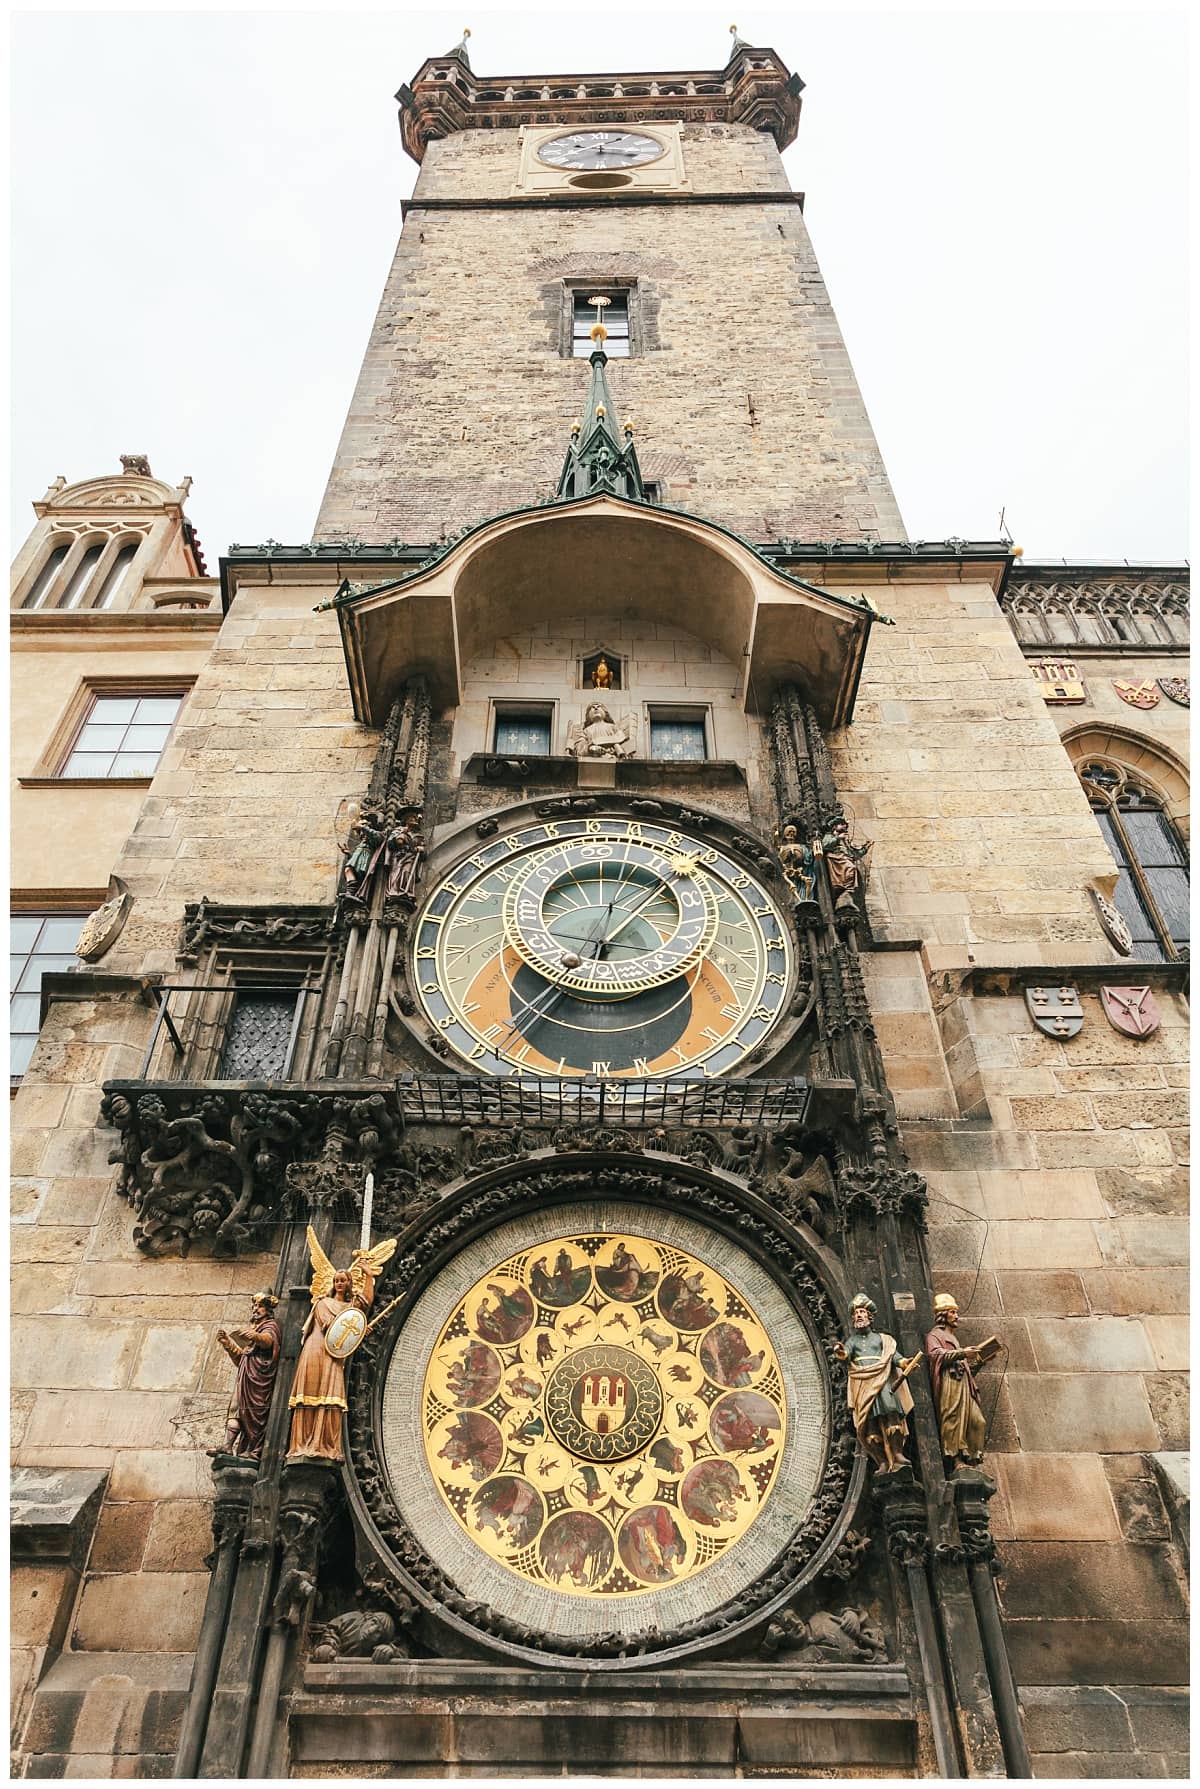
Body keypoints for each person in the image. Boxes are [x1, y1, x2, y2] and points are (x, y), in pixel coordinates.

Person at [287, 1227, 395, 1461]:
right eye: (336, 1280)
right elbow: (332, 1328)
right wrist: (356, 1329)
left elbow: (365, 1302)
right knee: (310, 1393)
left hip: (334, 1355)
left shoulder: (350, 1308)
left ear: (348, 1284)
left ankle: (326, 1445)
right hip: (316, 1348)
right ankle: (301, 1444)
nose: (339, 1283)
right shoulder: (323, 1303)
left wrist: (366, 1273)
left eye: (343, 1280)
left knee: (332, 1396)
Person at [833, 1291, 918, 1473]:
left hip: (883, 1381)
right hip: (863, 1384)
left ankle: (897, 1454)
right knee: (869, 1424)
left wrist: (904, 1363)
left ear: (870, 1317)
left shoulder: (881, 1339)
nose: (858, 1316)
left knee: (892, 1414)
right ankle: (881, 1461)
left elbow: (891, 1355)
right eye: (856, 1314)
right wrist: (840, 1352)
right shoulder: (853, 1341)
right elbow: (845, 1355)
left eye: (862, 1313)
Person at [210, 1292, 281, 1459]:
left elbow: (269, 1341)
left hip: (259, 1380)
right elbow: (241, 1358)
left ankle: (254, 1448)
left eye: (260, 1306)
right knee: (235, 1409)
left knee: (255, 1413)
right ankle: (227, 1446)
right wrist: (228, 1344)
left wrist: (256, 1336)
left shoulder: (271, 1326)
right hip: (245, 1377)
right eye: (254, 1306)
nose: (255, 1309)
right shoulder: (254, 1329)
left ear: (268, 1309)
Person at [925, 1292, 987, 1467]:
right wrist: (962, 1353)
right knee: (953, 1418)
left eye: (955, 1312)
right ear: (943, 1315)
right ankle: (956, 1459)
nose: (956, 1316)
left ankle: (973, 1459)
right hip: (950, 1383)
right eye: (952, 1312)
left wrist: (979, 1362)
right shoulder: (934, 1335)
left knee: (977, 1421)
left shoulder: (954, 1339)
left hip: (963, 1384)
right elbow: (935, 1354)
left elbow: (964, 1368)